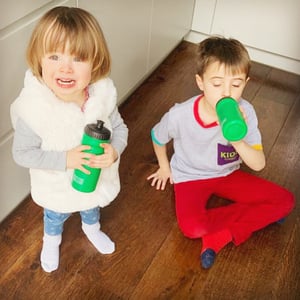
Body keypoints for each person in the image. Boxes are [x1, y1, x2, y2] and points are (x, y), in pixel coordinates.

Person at [147, 36, 295, 269]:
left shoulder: (246, 111)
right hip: (190, 176)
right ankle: (257, 217)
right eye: (217, 84)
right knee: (192, 228)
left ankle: (219, 237)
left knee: (285, 201)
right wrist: (165, 167)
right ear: (200, 82)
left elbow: (258, 164)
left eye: (236, 85)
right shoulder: (180, 115)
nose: (226, 93)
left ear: (246, 83)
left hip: (227, 173)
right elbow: (157, 136)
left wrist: (237, 141)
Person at [10, 6, 128, 273]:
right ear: (38, 59)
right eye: (53, 56)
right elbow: (23, 153)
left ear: (95, 63)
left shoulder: (101, 96)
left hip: (93, 180)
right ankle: (51, 240)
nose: (65, 68)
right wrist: (67, 159)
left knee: (91, 205)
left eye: (78, 58)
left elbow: (120, 128)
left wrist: (115, 151)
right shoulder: (35, 108)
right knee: (55, 215)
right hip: (57, 187)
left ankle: (91, 228)